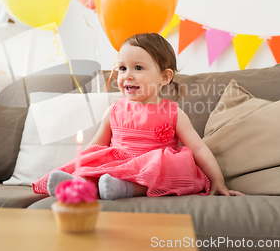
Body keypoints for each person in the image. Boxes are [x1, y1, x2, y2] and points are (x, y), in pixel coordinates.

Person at [32, 33, 244, 199]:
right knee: (95, 167)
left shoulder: (173, 113)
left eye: (138, 68)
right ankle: (76, 184)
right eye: (122, 68)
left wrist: (218, 181)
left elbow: (199, 148)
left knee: (165, 163)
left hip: (154, 168)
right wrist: (81, 167)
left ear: (164, 76)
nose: (127, 75)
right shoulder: (114, 110)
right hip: (118, 165)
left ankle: (123, 189)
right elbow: (96, 147)